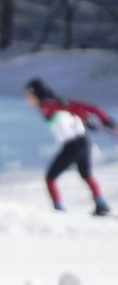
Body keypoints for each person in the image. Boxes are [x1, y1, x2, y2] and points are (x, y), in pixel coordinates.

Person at [24, 77, 114, 215]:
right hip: (83, 142)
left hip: (73, 145)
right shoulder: (55, 103)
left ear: (36, 93)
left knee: (50, 178)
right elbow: (80, 110)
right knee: (86, 175)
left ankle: (58, 209)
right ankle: (100, 203)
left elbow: (79, 109)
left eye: (28, 95)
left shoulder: (46, 105)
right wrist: (98, 119)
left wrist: (92, 118)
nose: (27, 98)